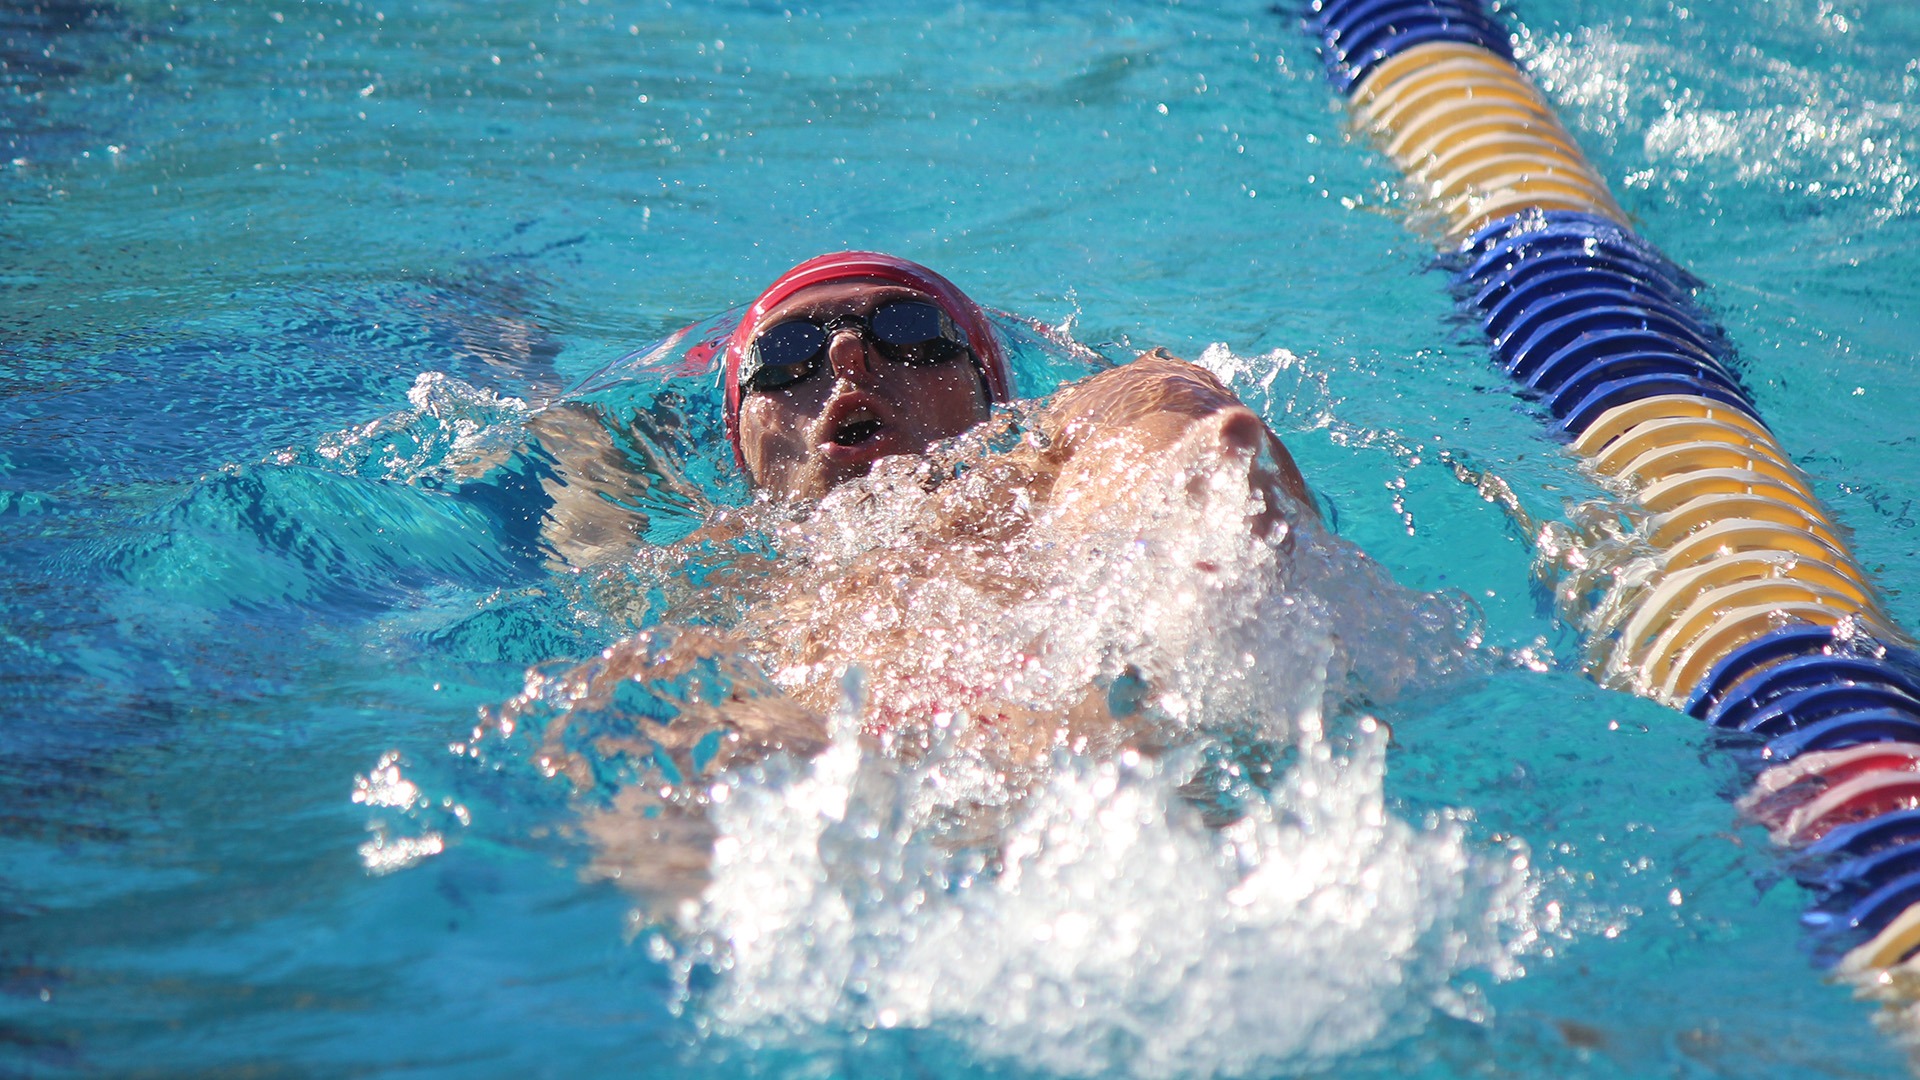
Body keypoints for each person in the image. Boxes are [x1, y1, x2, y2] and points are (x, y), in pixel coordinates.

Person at [512, 251, 1331, 907]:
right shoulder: (713, 567)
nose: (846, 354)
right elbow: (585, 514)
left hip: (1056, 743)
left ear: (990, 396)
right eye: (786, 355)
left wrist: (1182, 510)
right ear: (742, 445)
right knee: (648, 687)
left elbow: (1162, 410)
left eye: (907, 328)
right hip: (817, 757)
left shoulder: (1034, 473)